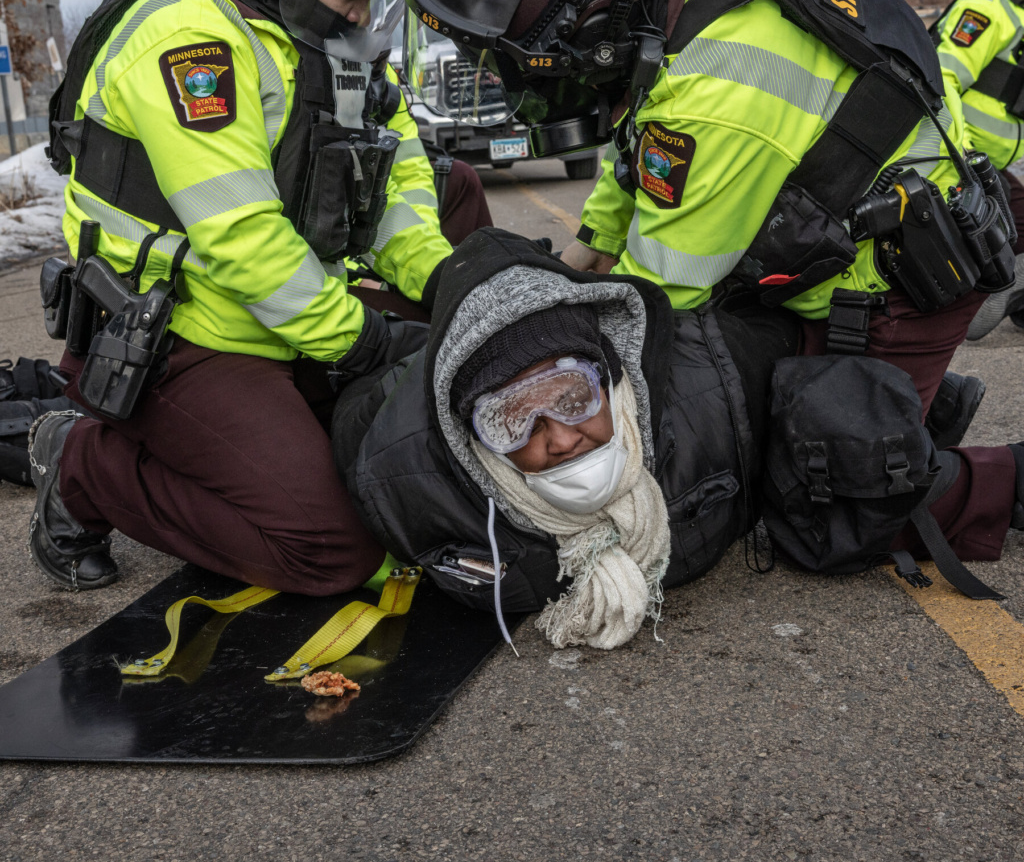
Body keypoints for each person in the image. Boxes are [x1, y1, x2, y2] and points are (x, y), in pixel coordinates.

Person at [400, 0, 1022, 425]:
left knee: (839, 484)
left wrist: (539, 363)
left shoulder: (719, 93)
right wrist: (593, 242)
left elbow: (655, 299)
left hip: (899, 293)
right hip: (826, 228)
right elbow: (639, 136)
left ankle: (984, 470)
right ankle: (914, 407)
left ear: (594, 39)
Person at [27, 0, 489, 595]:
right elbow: (241, 237)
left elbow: (400, 182)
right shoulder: (191, 41)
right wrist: (363, 340)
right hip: (181, 337)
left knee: (445, 414)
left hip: (288, 318)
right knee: (332, 551)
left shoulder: (340, 46)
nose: (361, 14)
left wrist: (446, 282)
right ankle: (82, 465)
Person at [333, 229, 1023, 650]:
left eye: (572, 397)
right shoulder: (407, 487)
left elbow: (814, 390)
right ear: (469, 438)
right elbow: (356, 417)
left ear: (612, 377)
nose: (561, 438)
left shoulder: (712, 385)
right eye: (512, 420)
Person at [930, 0, 1024, 339]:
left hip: (994, 164)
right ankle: (973, 312)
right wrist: (965, 155)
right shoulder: (990, 7)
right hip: (957, 159)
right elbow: (941, 78)